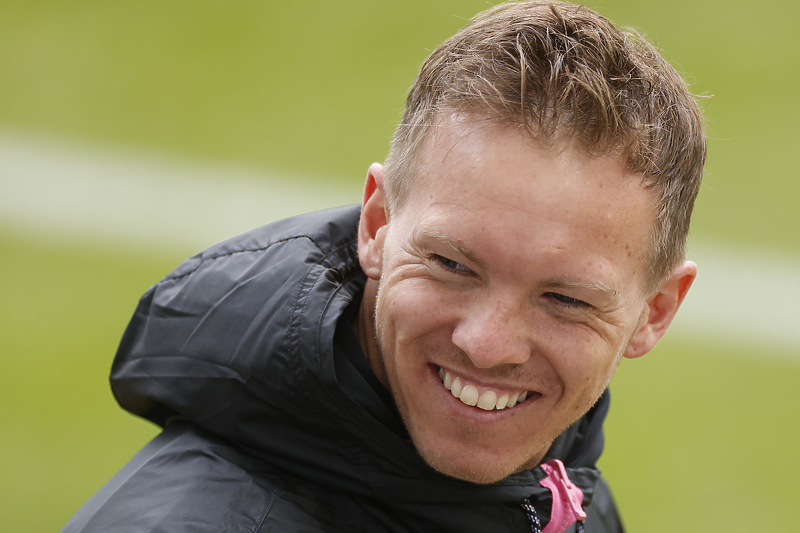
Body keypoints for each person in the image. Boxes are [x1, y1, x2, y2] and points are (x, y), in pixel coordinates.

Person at [60, 1, 705, 532]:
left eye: (565, 300)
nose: (486, 346)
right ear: (377, 226)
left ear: (655, 312)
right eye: (452, 263)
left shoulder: (555, 485)